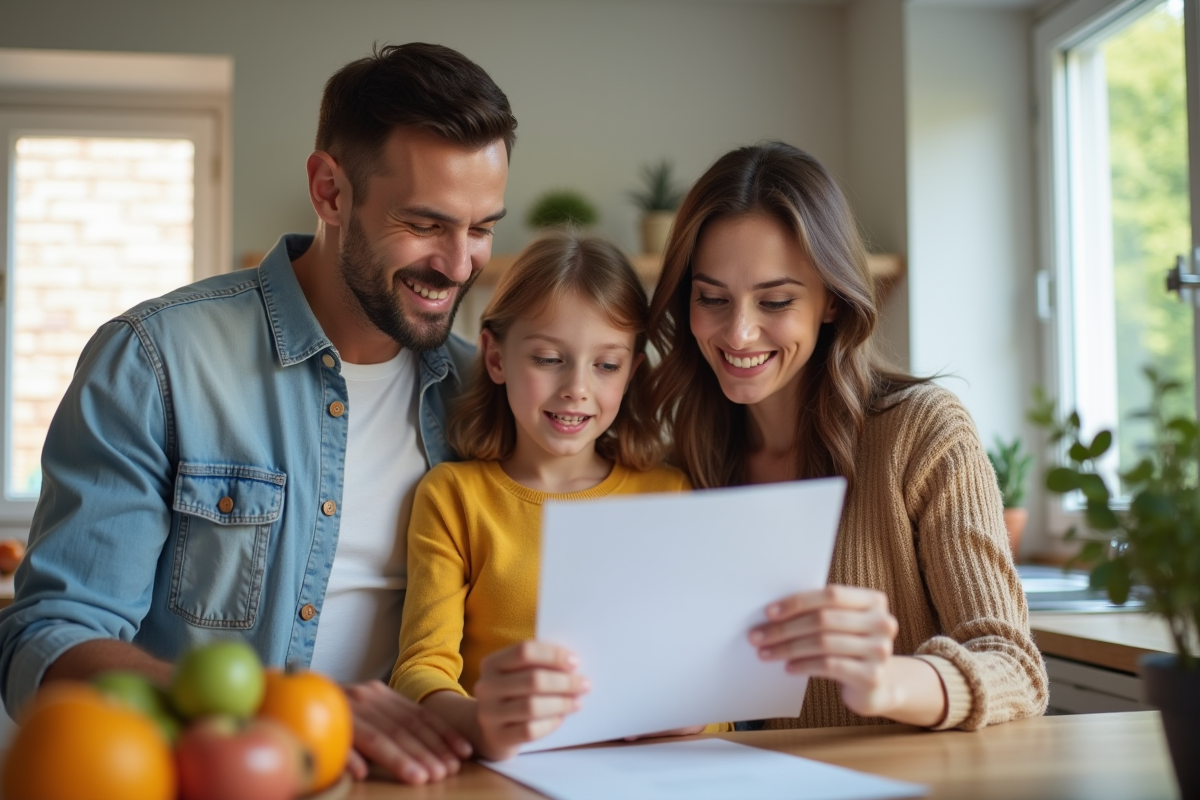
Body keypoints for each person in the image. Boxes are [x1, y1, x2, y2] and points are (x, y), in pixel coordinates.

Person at [0, 42, 516, 785]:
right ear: (330, 190)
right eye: (427, 224)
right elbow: (47, 639)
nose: (461, 264)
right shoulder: (154, 362)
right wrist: (272, 714)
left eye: (482, 227)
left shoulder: (485, 392)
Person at [647, 141, 1048, 731]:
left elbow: (1014, 666)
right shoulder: (680, 463)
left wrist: (887, 680)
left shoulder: (922, 432)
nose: (739, 331)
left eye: (776, 300)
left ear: (831, 299)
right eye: (712, 299)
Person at [390, 233, 704, 761]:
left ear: (632, 373)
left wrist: (691, 719)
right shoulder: (454, 497)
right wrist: (481, 725)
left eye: (606, 365)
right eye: (548, 358)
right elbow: (420, 668)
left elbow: (705, 674)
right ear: (495, 357)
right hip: (511, 773)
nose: (577, 388)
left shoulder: (669, 494)